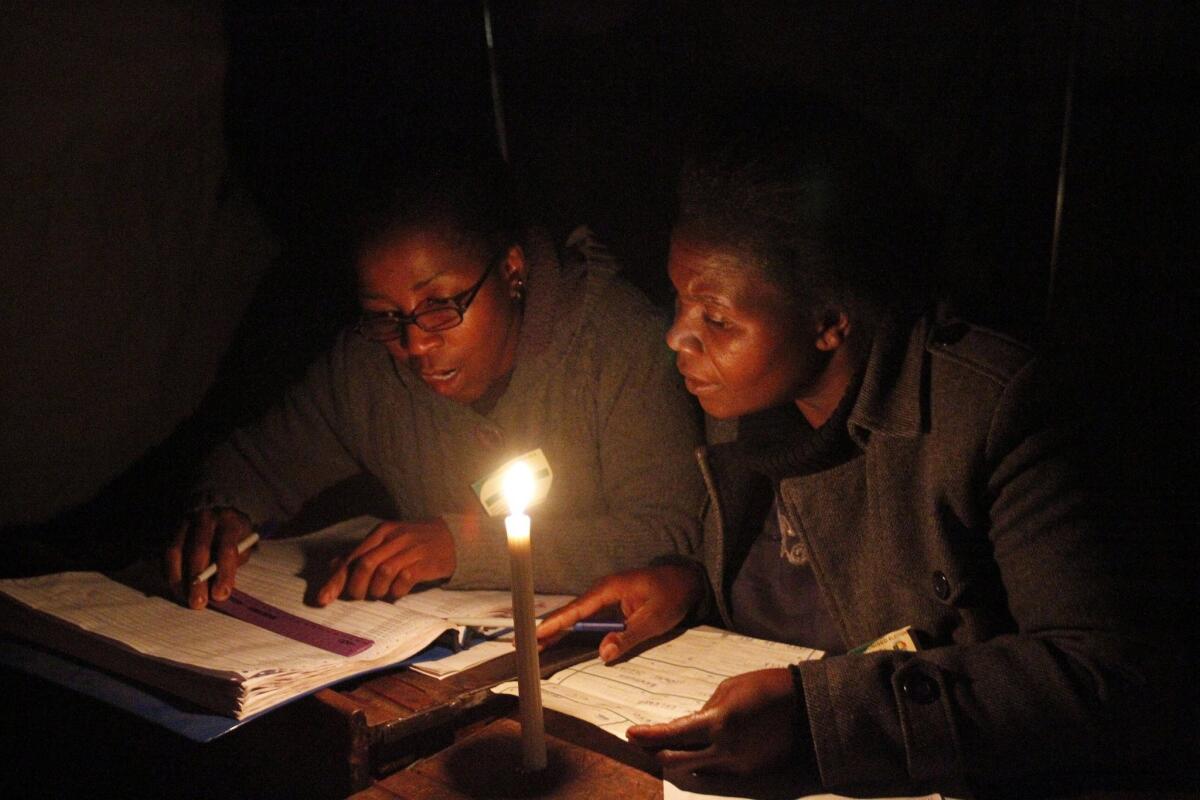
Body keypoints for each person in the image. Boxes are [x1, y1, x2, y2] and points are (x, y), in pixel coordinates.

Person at [536, 95, 1168, 795]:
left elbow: (1105, 674)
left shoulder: (987, 410)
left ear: (829, 321)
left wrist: (818, 717)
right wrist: (686, 584)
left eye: (715, 317)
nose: (676, 336)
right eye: (679, 300)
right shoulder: (743, 405)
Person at [165, 146, 704, 610]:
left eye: (442, 305)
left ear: (512, 271)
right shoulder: (369, 367)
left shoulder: (614, 344)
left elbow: (667, 535)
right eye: (385, 313)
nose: (415, 342)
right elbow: (258, 464)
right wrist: (224, 512)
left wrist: (460, 548)